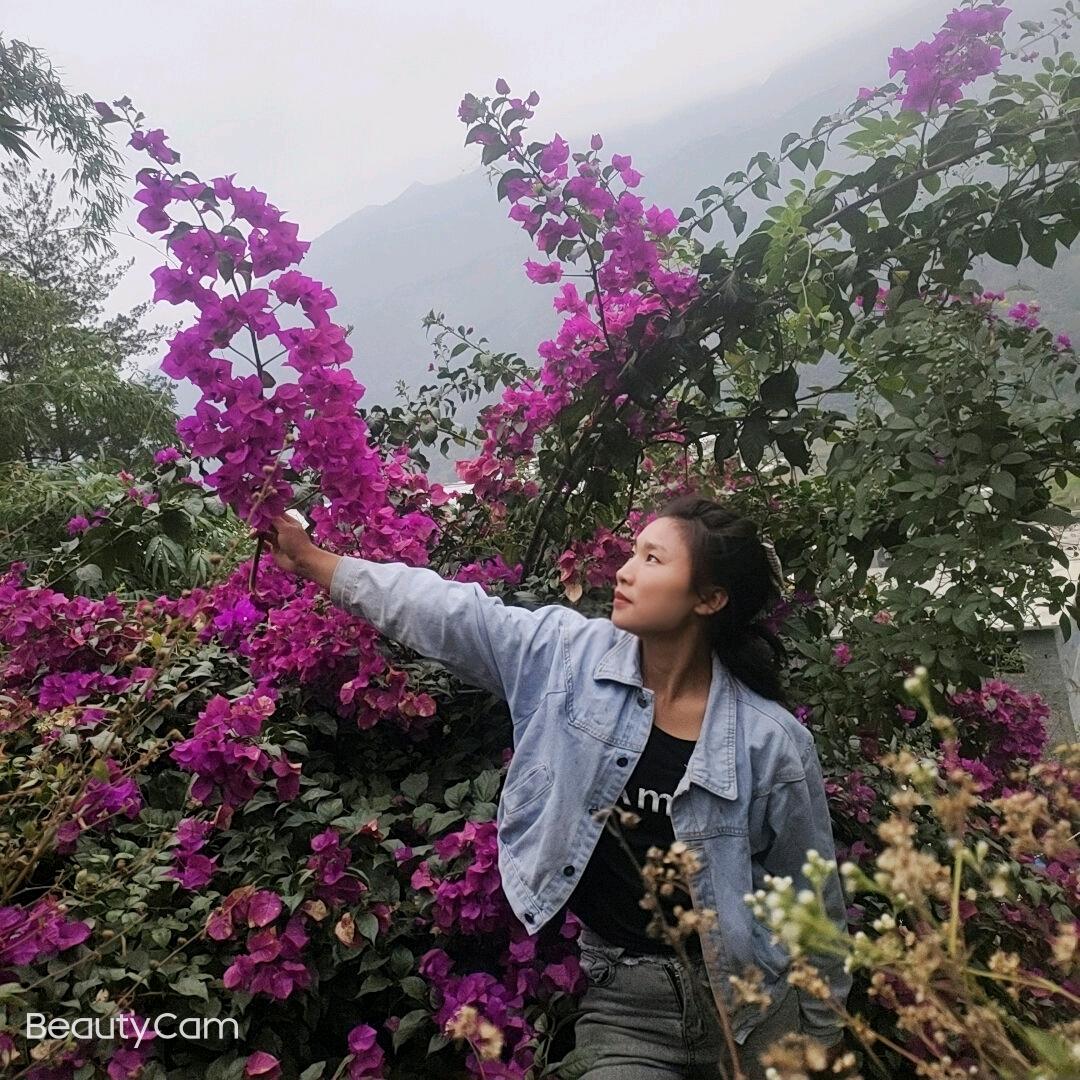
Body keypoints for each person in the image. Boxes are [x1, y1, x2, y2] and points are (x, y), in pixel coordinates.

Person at [259, 493, 852, 1079]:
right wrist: (314, 560)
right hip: (627, 1007)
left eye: (652, 559)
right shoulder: (568, 658)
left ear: (710, 598)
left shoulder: (769, 741)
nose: (624, 570)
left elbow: (812, 904)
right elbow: (453, 614)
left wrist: (821, 1045)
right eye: (632, 552)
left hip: (753, 1012)